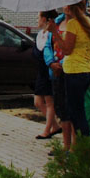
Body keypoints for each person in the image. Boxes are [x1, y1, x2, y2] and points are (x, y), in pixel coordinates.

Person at [52, 0, 90, 151]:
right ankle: (85, 145)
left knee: (75, 113)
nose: (63, 5)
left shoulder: (73, 24)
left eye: (66, 3)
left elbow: (67, 50)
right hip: (85, 70)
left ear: (71, 6)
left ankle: (82, 148)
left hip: (73, 71)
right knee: (79, 111)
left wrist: (55, 32)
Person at [33, 11, 59, 140]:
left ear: (45, 19)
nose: (36, 20)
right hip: (40, 72)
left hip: (48, 72)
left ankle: (47, 130)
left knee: (49, 102)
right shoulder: (39, 35)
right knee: (38, 102)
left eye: (38, 17)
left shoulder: (51, 35)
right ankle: (55, 126)